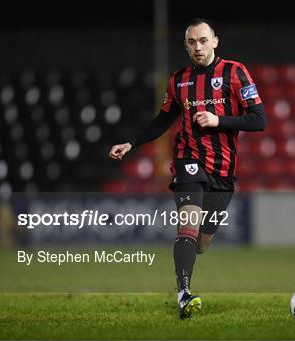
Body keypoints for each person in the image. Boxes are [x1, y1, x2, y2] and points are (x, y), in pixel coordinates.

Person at [108, 18, 266, 319]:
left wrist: (220, 121)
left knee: (202, 243)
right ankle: (183, 294)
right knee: (188, 227)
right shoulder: (178, 80)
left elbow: (259, 119)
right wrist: (132, 143)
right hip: (187, 160)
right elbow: (164, 119)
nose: (198, 47)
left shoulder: (235, 72)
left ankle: (186, 272)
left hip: (223, 169)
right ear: (185, 45)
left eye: (203, 40)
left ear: (215, 41)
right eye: (192, 42)